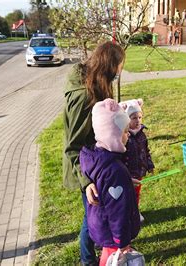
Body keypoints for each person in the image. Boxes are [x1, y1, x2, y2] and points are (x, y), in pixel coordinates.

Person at [62, 41, 125, 265]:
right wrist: (87, 181)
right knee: (91, 220)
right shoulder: (83, 97)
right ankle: (87, 261)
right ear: (109, 66)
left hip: (96, 164)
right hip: (86, 168)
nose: (120, 72)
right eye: (119, 67)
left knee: (95, 217)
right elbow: (73, 146)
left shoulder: (97, 85)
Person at [79, 98, 140, 266]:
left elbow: (104, 185)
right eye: (126, 132)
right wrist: (123, 242)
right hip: (113, 234)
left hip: (101, 226)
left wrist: (126, 180)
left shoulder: (94, 157)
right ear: (114, 135)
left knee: (108, 255)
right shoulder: (115, 170)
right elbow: (117, 213)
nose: (128, 135)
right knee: (113, 259)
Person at [119, 99, 155, 221]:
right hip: (127, 173)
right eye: (133, 118)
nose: (138, 120)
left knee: (136, 194)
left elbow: (146, 151)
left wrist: (149, 165)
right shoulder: (124, 136)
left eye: (140, 117)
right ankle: (126, 214)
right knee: (126, 195)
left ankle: (135, 211)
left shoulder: (142, 134)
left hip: (139, 171)